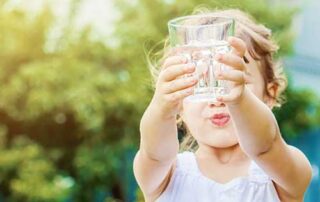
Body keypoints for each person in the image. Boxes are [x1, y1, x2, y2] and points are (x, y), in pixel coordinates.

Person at [133, 8, 312, 202]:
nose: (218, 99)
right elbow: (153, 153)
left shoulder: (282, 173)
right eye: (200, 82)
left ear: (270, 94)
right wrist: (161, 107)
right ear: (179, 107)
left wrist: (240, 99)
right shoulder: (165, 175)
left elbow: (265, 146)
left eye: (234, 79)